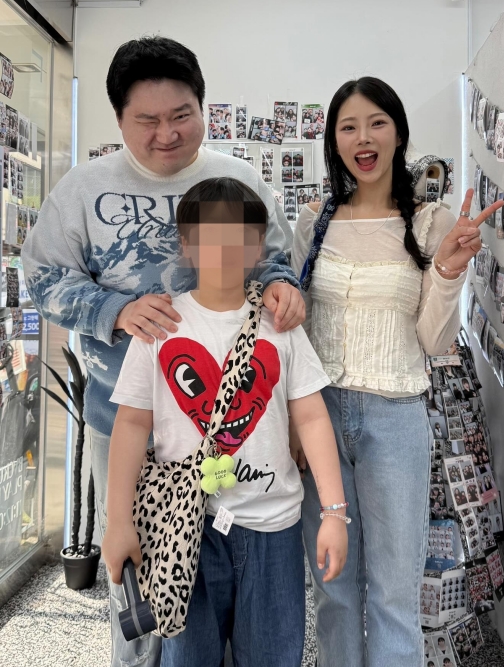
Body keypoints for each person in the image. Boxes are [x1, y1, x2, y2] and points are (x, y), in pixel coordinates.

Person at [21, 37, 305, 667]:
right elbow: (40, 277)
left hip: (228, 425)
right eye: (146, 120)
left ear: (202, 106)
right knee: (137, 573)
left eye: (182, 115)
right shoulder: (83, 189)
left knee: (220, 574)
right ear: (118, 119)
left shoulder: (239, 178)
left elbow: (276, 259)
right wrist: (113, 311)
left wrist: (283, 286)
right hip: (124, 418)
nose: (167, 134)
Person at [290, 76, 502, 667]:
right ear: (334, 141)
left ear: (399, 133)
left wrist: (448, 271)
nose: (363, 138)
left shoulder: (431, 223)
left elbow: (434, 340)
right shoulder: (313, 222)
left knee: (394, 596)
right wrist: (290, 417)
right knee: (332, 591)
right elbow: (294, 331)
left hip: (396, 420)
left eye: (376, 123)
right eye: (349, 127)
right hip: (318, 418)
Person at [102, 178, 348, 667]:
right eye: (210, 235)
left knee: (274, 655)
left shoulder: (280, 325)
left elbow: (312, 416)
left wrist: (334, 514)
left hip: (274, 528)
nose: (225, 248)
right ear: (187, 244)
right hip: (185, 528)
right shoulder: (160, 326)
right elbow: (129, 424)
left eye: (240, 236)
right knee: (189, 656)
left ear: (258, 246)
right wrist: (117, 522)